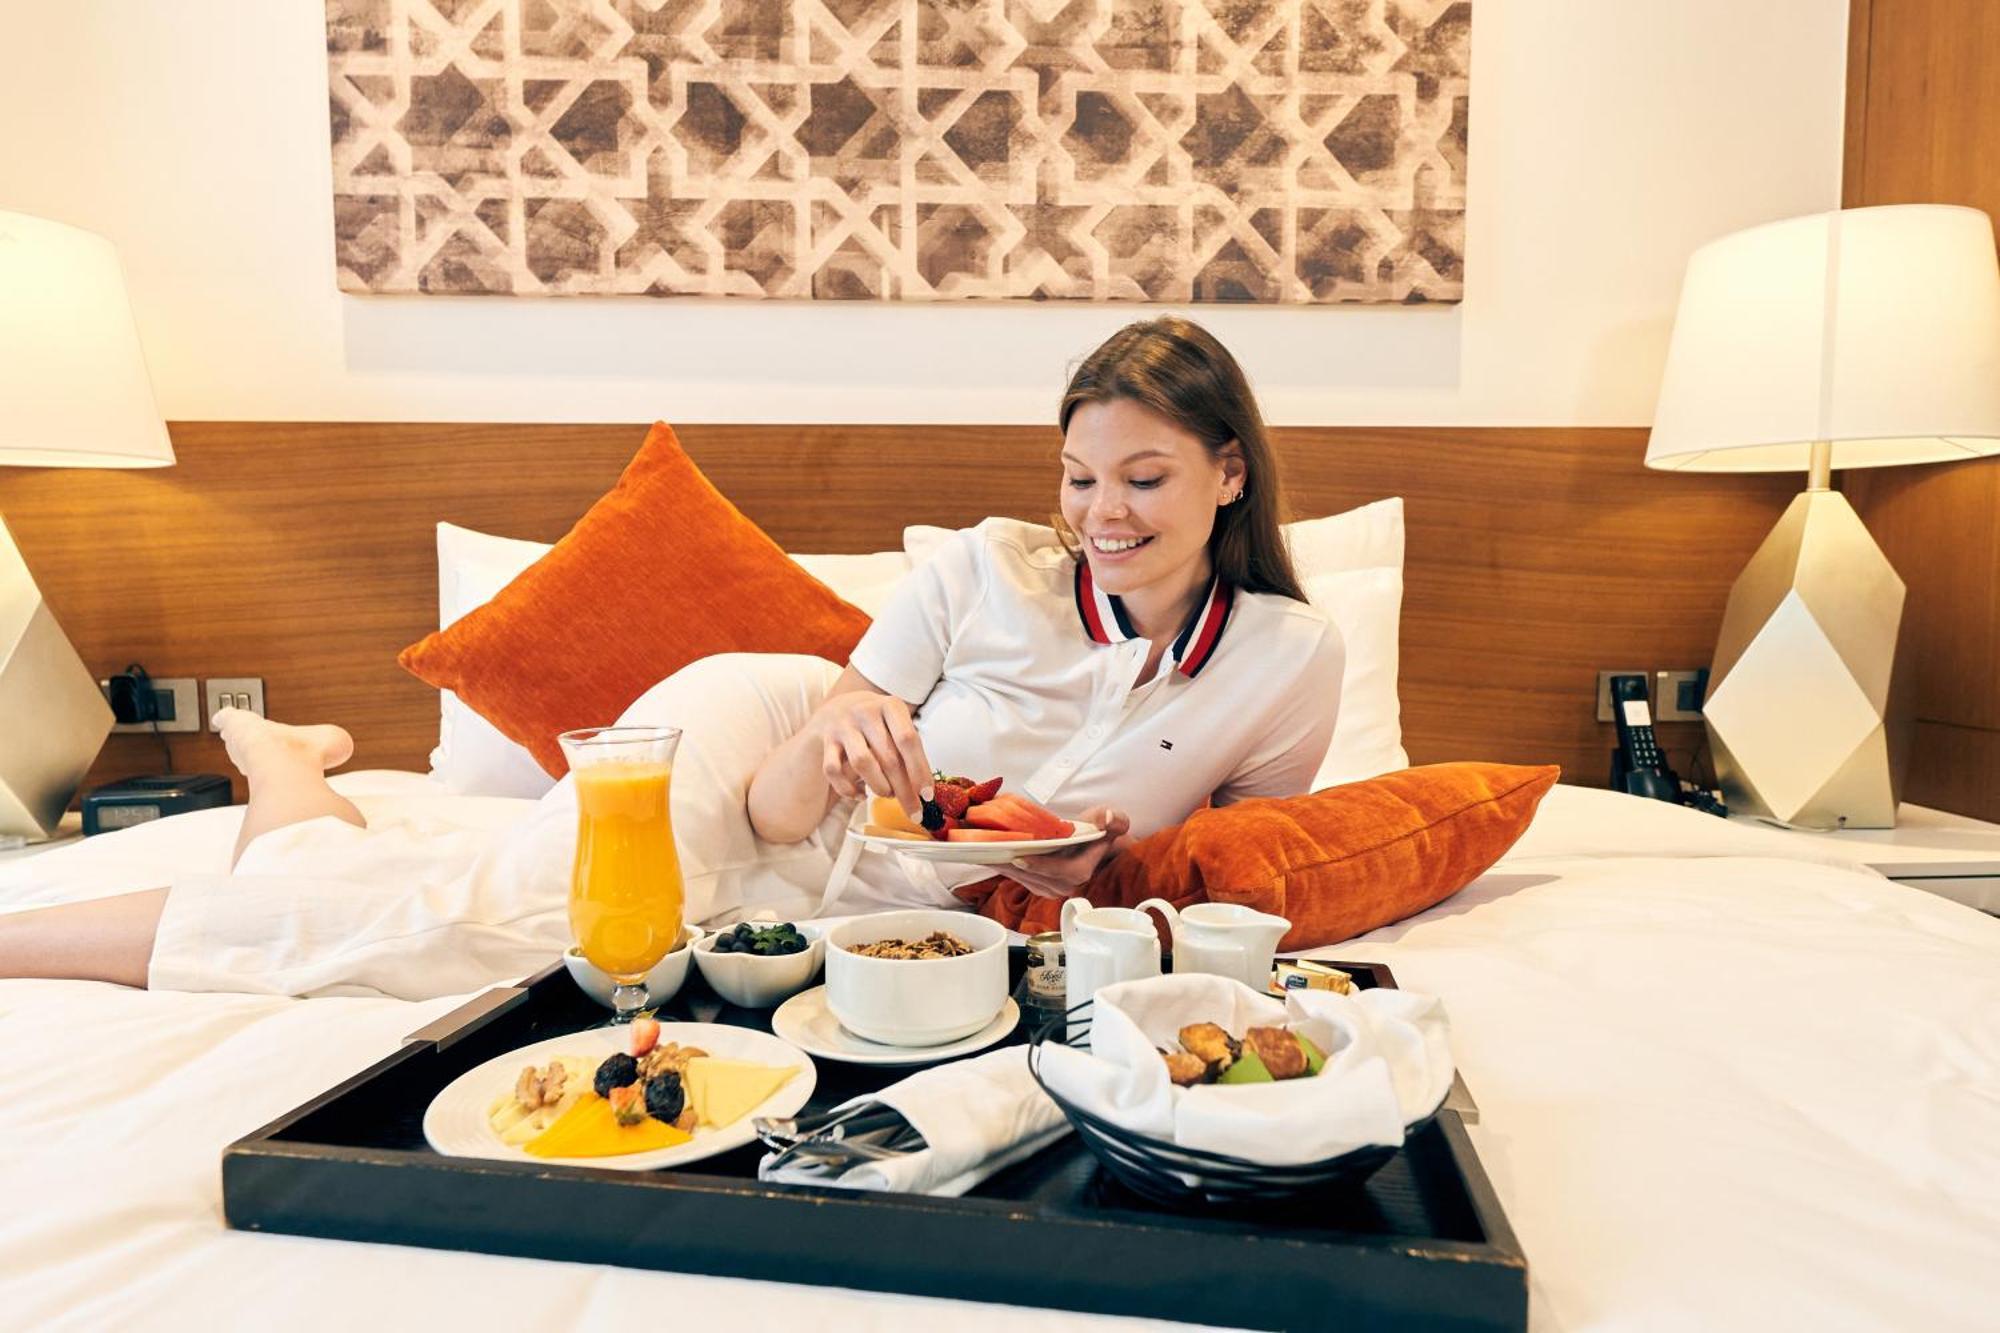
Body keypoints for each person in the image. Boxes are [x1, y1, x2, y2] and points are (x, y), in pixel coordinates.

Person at [0, 317, 1343, 1000]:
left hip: (887, 910)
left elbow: (1236, 854)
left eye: (1144, 477)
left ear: (1230, 472)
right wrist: (835, 750)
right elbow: (776, 808)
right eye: (1079, 476)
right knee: (530, 935)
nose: (1101, 514)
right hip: (753, 746)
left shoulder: (1288, 657)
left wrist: (1108, 862)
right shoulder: (986, 571)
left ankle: (287, 767)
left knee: (436, 893)